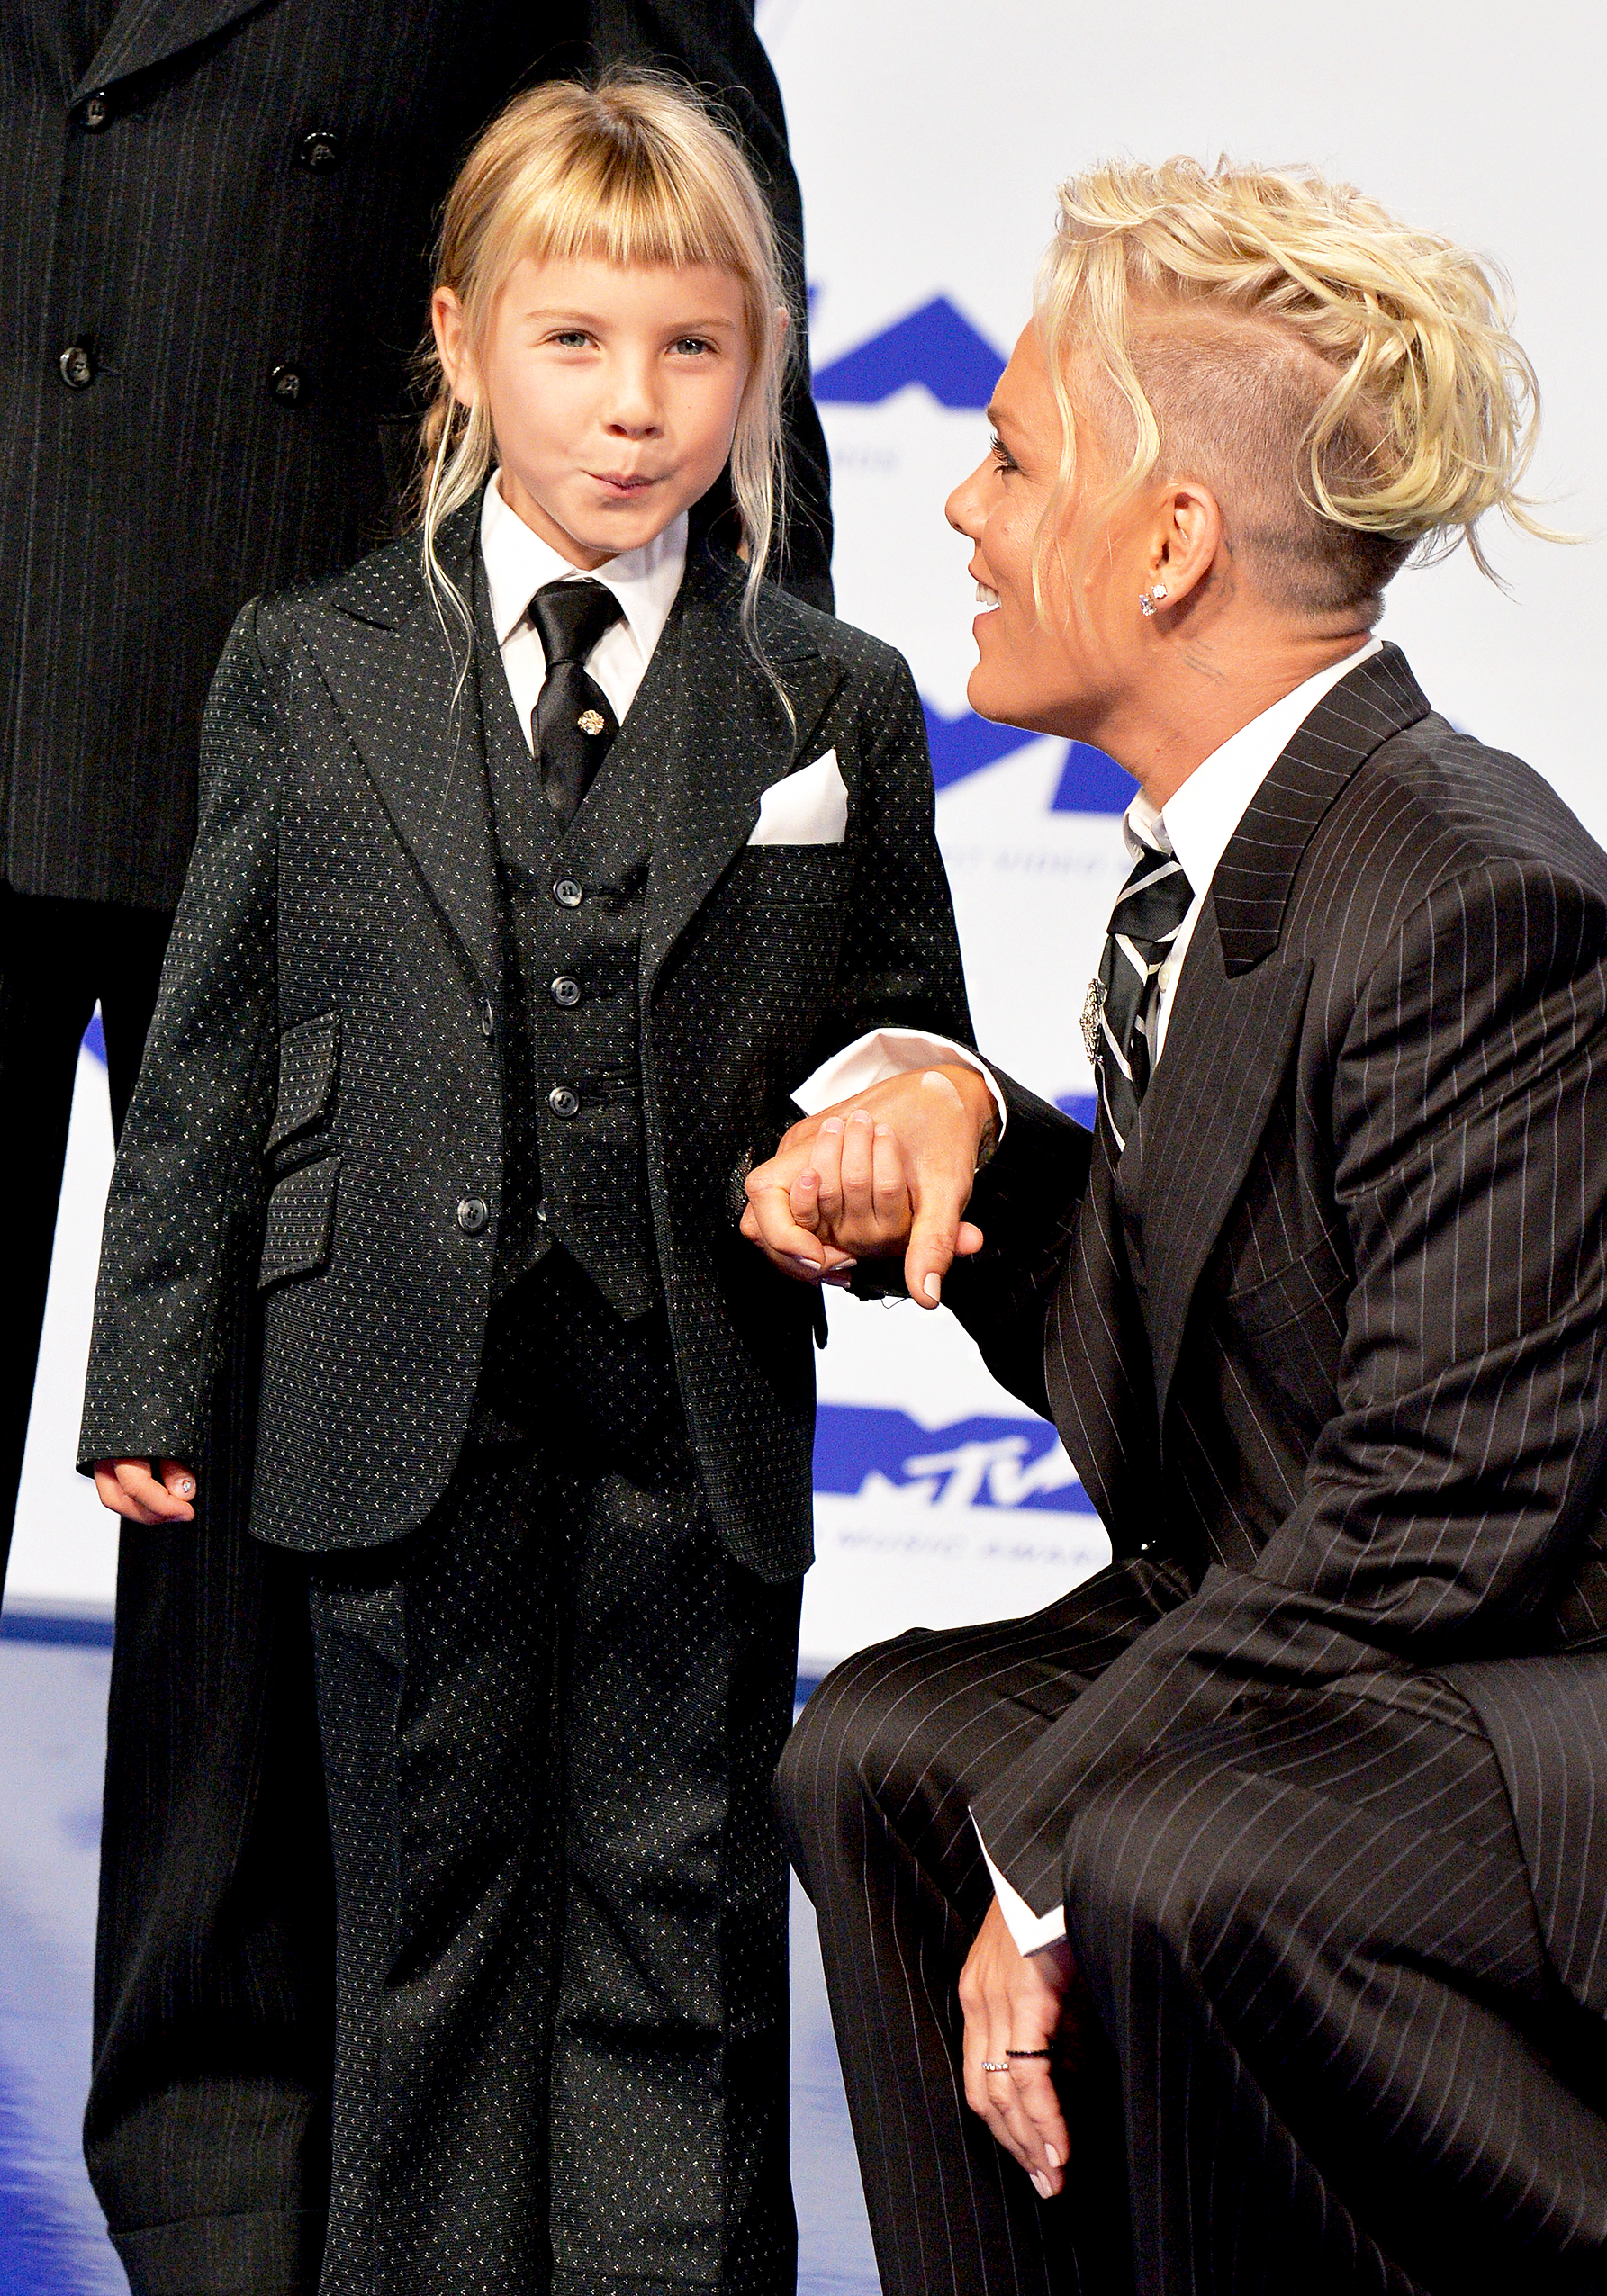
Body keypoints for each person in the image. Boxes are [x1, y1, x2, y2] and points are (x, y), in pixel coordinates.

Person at [750, 157, 1607, 2293]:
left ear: (1169, 546)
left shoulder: (1478, 902)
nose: (960, 506)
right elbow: (1220, 1402)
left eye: (1011, 456)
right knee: (888, 1755)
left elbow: (1432, 1507)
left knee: (1150, 1841)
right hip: (1441, 1677)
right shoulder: (1239, 859)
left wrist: (1053, 1842)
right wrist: (979, 1142)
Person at [80, 77, 971, 2296]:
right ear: (462, 342)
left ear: (761, 364)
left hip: (689, 1392)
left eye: (692, 347)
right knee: (421, 1908)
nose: (634, 404)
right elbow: (208, 1044)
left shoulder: (828, 699)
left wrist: (862, 1151)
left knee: (678, 1896)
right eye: (575, 341)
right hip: (394, 1389)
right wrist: (151, 1365)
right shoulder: (313, 666)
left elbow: (899, 1019)